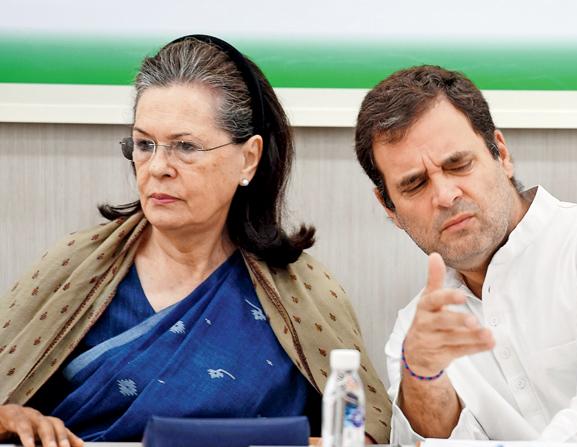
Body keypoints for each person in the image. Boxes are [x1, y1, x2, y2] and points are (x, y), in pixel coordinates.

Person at [0, 35, 391, 447]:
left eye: (185, 147)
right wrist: (10, 418)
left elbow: (365, 434)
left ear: (249, 158)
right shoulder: (70, 269)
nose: (158, 167)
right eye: (144, 144)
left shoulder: (305, 294)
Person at [354, 65, 577, 446]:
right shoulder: (414, 331)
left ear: (501, 154)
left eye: (458, 164)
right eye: (414, 184)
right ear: (389, 208)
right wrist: (421, 371)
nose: (445, 195)